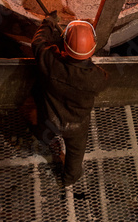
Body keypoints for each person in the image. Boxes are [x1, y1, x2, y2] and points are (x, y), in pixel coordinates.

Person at [31, 11, 109, 186]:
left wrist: (49, 23)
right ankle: (69, 178)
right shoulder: (96, 78)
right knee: (75, 153)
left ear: (64, 45)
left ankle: (43, 139)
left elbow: (37, 43)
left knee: (45, 128)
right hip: (76, 125)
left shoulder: (51, 62)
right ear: (93, 48)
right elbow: (103, 79)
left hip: (51, 118)